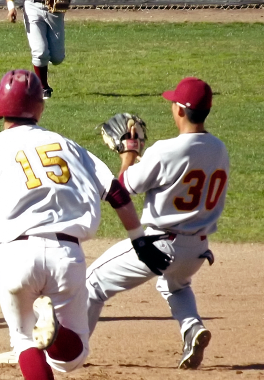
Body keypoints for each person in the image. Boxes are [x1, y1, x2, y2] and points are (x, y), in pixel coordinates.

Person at [0, 69, 169, 379]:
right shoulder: (67, 146)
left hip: (14, 255)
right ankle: (55, 333)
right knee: (71, 360)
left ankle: (47, 333)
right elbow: (116, 193)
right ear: (39, 107)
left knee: (23, 342)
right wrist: (139, 240)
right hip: (65, 255)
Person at [85, 77, 229, 369]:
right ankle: (192, 328)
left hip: (161, 246)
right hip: (198, 249)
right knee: (175, 286)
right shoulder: (219, 149)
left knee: (91, 284)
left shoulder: (166, 150)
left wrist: (129, 152)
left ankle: (70, 352)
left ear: (179, 110)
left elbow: (124, 187)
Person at [6, 0, 68, 99]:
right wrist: (11, 7)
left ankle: (45, 59)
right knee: (40, 52)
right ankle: (42, 87)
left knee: (57, 58)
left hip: (55, 9)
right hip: (32, 6)